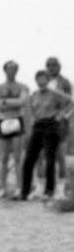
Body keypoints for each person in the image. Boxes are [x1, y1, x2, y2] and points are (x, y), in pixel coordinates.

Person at [21, 69, 72, 200]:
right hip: (38, 125)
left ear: (48, 80)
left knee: (50, 159)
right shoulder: (34, 95)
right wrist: (32, 120)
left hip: (51, 125)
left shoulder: (55, 93)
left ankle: (49, 191)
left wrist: (63, 116)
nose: (41, 81)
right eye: (38, 79)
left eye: (43, 79)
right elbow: (31, 109)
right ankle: (24, 192)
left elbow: (71, 103)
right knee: (29, 159)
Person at [0, 59, 29, 199]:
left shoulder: (22, 87)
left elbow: (23, 102)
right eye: (9, 68)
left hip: (17, 121)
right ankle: (2, 188)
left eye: (14, 68)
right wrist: (13, 103)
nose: (12, 71)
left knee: (18, 157)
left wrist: (5, 101)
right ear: (5, 70)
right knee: (3, 157)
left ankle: (19, 188)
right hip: (2, 121)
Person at [45, 56, 72, 198]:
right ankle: (47, 188)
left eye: (54, 65)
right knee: (46, 156)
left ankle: (61, 188)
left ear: (59, 66)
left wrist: (64, 115)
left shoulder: (65, 82)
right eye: (49, 65)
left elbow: (70, 101)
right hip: (45, 121)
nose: (51, 67)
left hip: (60, 122)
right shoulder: (43, 81)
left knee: (61, 155)